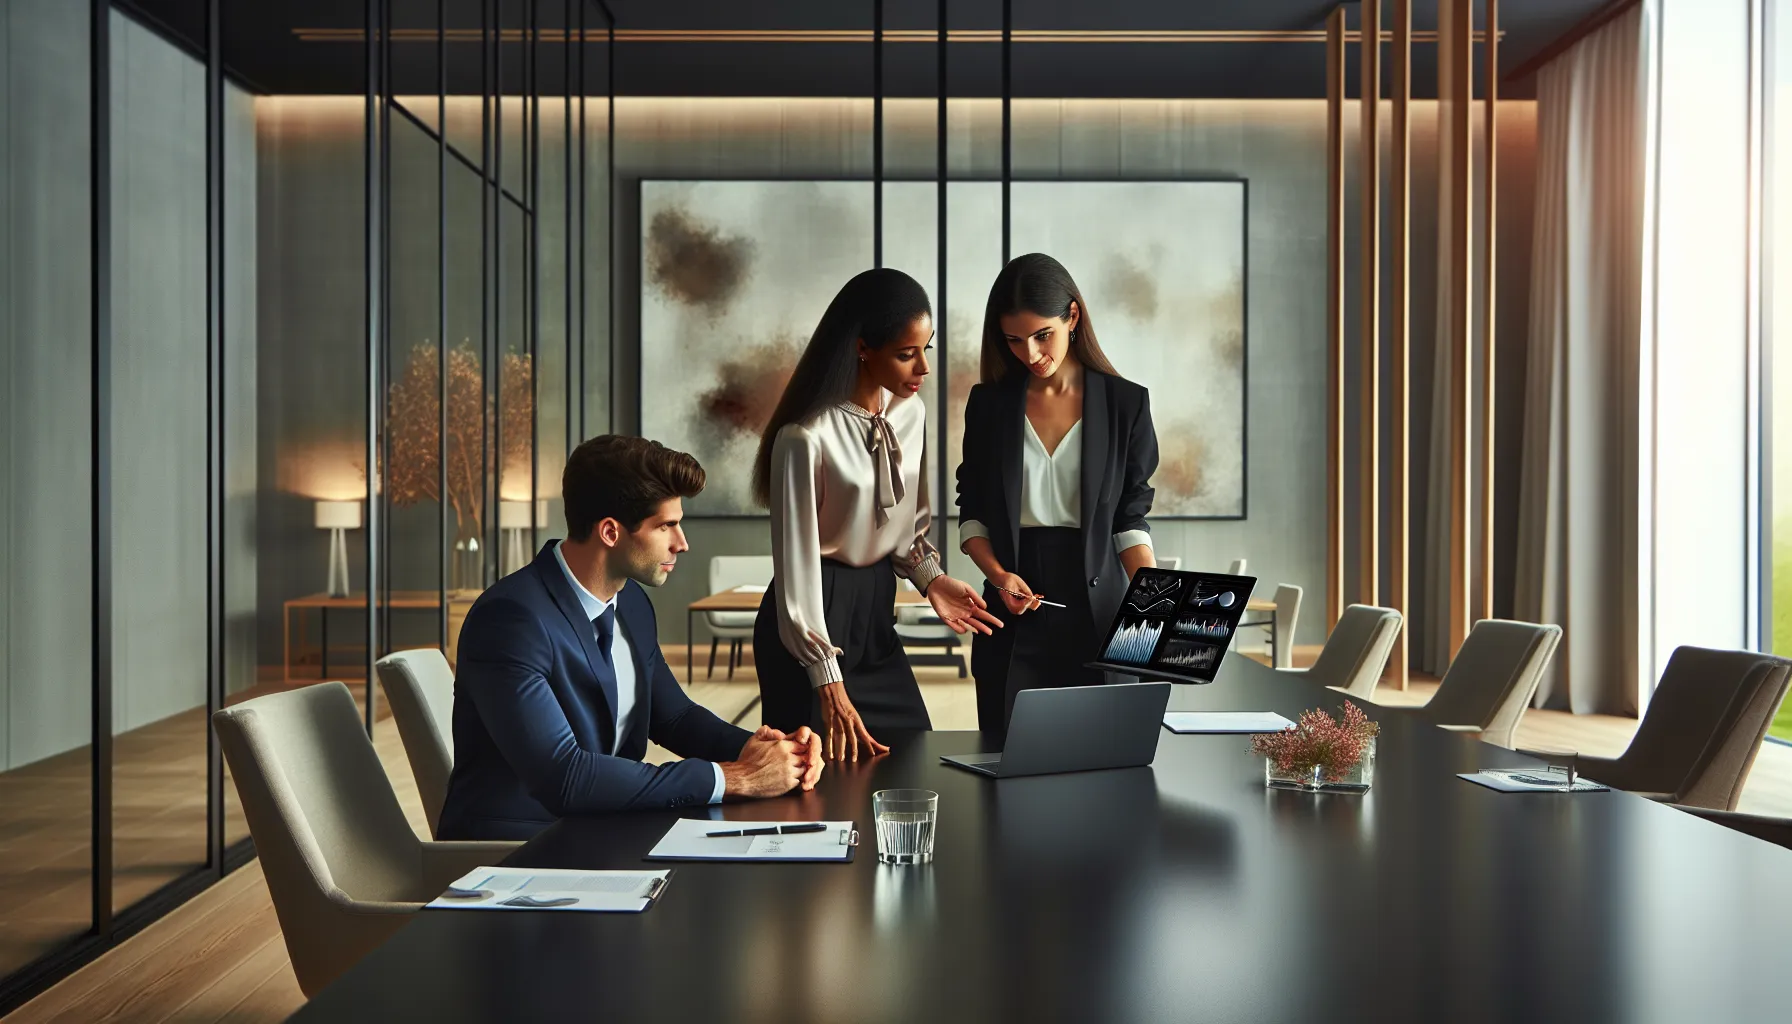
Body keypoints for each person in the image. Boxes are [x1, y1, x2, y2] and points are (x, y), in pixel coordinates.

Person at [437, 435, 823, 842]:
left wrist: (768, 753)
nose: (682, 543)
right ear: (610, 532)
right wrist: (731, 778)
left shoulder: (631, 602)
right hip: (519, 851)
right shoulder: (511, 620)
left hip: (603, 830)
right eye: (666, 526)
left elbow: (675, 717)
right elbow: (564, 776)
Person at [752, 268, 1002, 761]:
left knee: (912, 757)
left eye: (926, 349)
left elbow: (907, 528)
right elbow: (796, 571)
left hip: (875, 612)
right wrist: (826, 678)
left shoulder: (913, 415)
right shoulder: (804, 437)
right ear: (863, 347)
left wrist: (931, 579)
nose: (922, 369)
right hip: (810, 619)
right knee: (813, 782)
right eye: (906, 354)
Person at [957, 253, 1160, 736]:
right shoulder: (988, 406)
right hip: (1014, 609)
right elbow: (973, 514)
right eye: (1013, 340)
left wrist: (1154, 598)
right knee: (1009, 771)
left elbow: (1131, 517)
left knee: (1110, 773)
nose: (1029, 353)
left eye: (1041, 335)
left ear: (1072, 316)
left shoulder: (1126, 403)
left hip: (1105, 615)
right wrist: (999, 575)